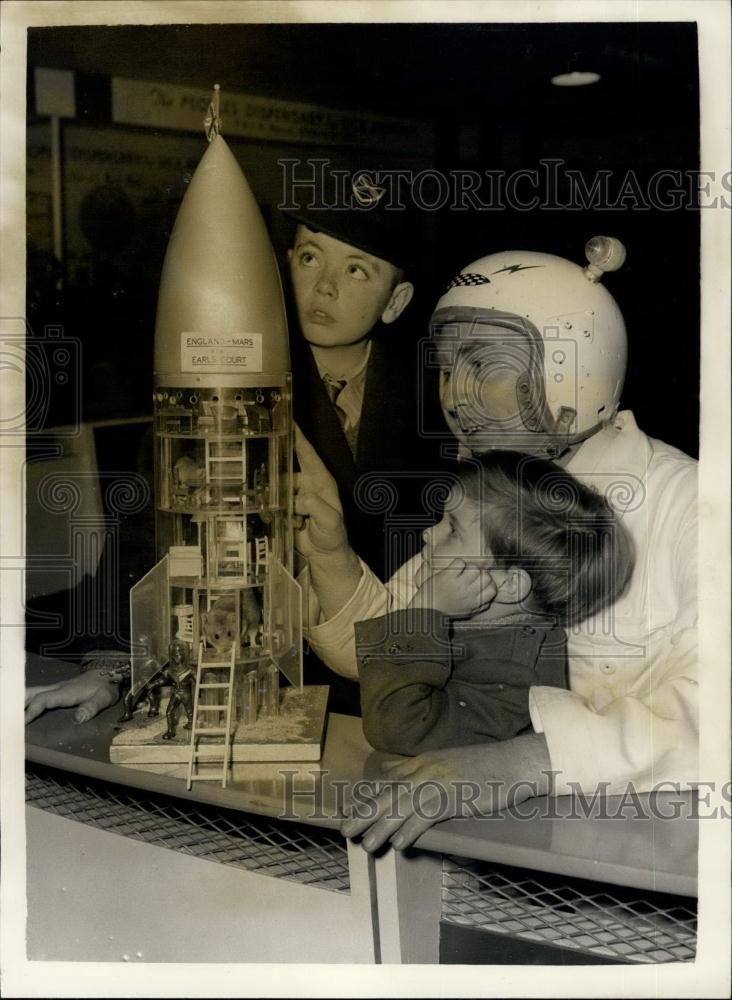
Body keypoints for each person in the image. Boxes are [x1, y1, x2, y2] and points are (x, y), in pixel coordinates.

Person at [294, 236, 698, 851]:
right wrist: (330, 556)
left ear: (571, 370)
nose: (455, 396)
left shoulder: (692, 502)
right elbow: (394, 653)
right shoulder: (494, 497)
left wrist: (525, 763)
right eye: (449, 368)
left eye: (483, 364)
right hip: (506, 848)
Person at [356, 451, 634, 756]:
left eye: (452, 530)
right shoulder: (473, 626)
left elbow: (398, 728)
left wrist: (423, 615)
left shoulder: (514, 671)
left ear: (509, 585)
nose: (428, 534)